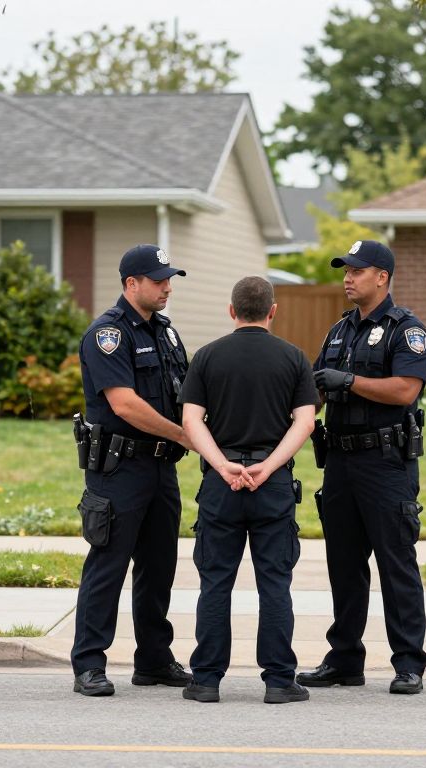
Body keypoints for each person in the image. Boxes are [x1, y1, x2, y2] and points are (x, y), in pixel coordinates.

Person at [298, 240, 426, 695]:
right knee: (344, 565)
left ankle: (409, 663)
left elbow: (405, 391)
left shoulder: (405, 330)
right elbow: (314, 391)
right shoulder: (339, 331)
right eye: (345, 269)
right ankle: (344, 660)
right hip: (339, 461)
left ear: (382, 276)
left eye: (357, 270)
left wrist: (350, 382)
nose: (347, 277)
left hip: (385, 462)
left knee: (397, 563)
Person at [179, 276, 318, 704]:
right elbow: (305, 422)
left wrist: (223, 465)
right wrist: (267, 466)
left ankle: (205, 680)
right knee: (274, 582)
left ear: (231, 310)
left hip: (221, 486)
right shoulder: (293, 358)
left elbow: (191, 421)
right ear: (272, 311)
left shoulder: (206, 357)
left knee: (215, 581)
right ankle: (279, 681)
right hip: (271, 484)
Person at [71, 244, 194, 697]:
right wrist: (185, 435)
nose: (167, 287)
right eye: (159, 279)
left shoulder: (166, 333)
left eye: (170, 279)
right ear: (131, 284)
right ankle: (89, 663)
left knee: (158, 567)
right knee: (108, 565)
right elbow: (124, 404)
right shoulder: (108, 334)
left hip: (162, 468)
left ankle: (154, 660)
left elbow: (184, 394)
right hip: (119, 467)